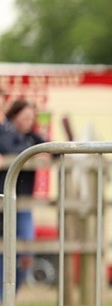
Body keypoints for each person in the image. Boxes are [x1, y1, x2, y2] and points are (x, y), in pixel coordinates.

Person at [0, 99, 47, 294]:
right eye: (25, 117)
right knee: (4, 250)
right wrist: (33, 154)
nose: (29, 121)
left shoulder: (31, 137)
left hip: (23, 201)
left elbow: (48, 148)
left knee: (26, 250)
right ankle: (4, 297)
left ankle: (10, 295)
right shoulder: (5, 131)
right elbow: (13, 150)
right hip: (4, 200)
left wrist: (40, 152)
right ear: (14, 116)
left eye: (31, 117)